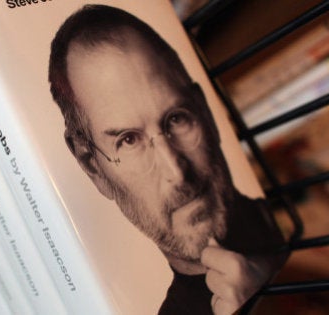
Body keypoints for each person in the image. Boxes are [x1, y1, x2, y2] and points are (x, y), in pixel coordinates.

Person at [48, 5, 285, 315]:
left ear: (205, 112)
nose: (176, 171)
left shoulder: (297, 226)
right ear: (93, 166)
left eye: (176, 119)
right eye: (129, 140)